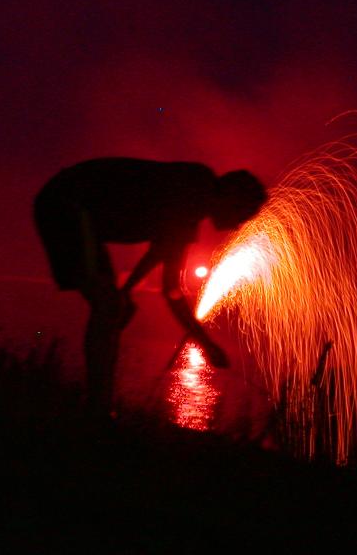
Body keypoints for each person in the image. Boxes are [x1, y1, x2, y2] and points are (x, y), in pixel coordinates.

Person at [34, 157, 267, 416]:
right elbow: (171, 290)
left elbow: (160, 260)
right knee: (108, 305)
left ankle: (99, 403)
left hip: (75, 207)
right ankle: (97, 409)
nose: (237, 226)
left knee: (111, 306)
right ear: (232, 198)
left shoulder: (193, 195)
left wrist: (127, 291)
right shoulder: (193, 193)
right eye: (243, 215)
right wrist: (207, 344)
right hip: (69, 204)